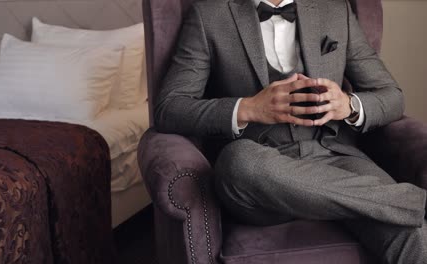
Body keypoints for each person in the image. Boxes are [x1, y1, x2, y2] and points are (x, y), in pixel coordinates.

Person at [154, 0, 427, 262]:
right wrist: (248, 108)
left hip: (336, 159)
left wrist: (348, 105)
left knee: (410, 232)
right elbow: (169, 108)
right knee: (237, 163)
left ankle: (403, 203)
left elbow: (391, 96)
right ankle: (415, 201)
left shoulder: (335, 10)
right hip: (260, 175)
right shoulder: (208, 15)